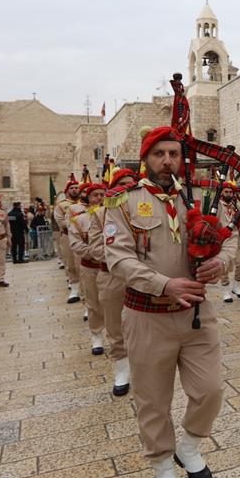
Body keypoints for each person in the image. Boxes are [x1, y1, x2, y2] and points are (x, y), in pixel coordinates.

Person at [104, 126, 232, 478]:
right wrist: (163, 283)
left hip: (196, 315)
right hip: (147, 317)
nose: (167, 161)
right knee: (153, 402)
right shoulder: (124, 201)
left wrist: (220, 262)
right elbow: (118, 258)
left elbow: (232, 242)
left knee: (210, 390)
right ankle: (163, 470)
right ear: (146, 158)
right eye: (159, 153)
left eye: (174, 154)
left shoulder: (201, 198)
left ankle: (189, 446)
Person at [89, 167, 139, 395]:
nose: (127, 187)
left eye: (132, 183)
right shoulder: (100, 214)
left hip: (141, 276)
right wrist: (121, 259)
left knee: (143, 324)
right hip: (112, 276)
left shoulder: (143, 209)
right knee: (114, 324)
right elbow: (96, 247)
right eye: (123, 183)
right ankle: (121, 368)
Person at [69, 182, 108, 356]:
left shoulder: (114, 216)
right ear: (88, 197)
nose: (99, 198)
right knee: (93, 304)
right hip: (91, 267)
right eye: (95, 195)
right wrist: (95, 253)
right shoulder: (79, 219)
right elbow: (76, 244)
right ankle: (97, 336)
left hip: (111, 268)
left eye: (102, 194)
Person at [217, 181, 240, 303]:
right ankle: (225, 290)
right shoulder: (218, 205)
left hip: (236, 237)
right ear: (222, 192)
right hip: (222, 238)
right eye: (226, 192)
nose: (229, 194)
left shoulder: (237, 205)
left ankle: (236, 286)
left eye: (230, 192)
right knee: (224, 265)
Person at [54, 177, 83, 302]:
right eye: (72, 188)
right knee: (71, 263)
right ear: (67, 191)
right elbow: (61, 223)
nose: (75, 190)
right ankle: (75, 289)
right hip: (68, 236)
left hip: (84, 237)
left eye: (77, 188)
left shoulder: (84, 204)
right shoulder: (61, 206)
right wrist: (79, 221)